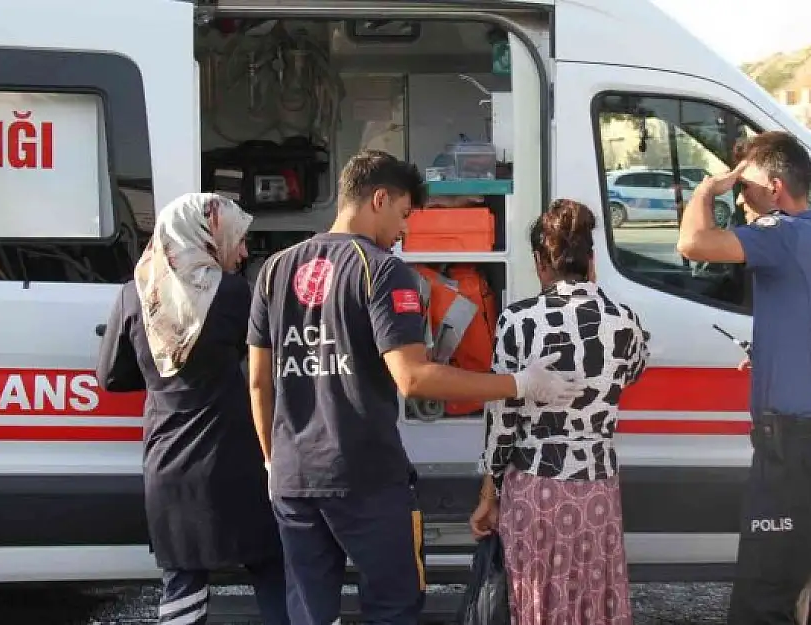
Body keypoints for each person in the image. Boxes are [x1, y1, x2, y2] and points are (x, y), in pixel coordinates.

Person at [246, 149, 584, 625]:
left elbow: (260, 381)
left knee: (309, 612)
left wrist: (270, 460)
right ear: (379, 199)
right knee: (393, 606)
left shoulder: (275, 269)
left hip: (293, 477)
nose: (404, 230)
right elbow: (413, 378)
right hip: (364, 476)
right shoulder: (381, 269)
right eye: (404, 215)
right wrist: (519, 384)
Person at [675, 131, 811, 625]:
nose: (741, 198)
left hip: (791, 450)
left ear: (774, 188)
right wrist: (793, 354)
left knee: (763, 601)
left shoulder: (782, 234)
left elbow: (692, 243)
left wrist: (707, 189)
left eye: (744, 187)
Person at [96, 192, 289, 625]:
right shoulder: (236, 294)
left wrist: (158, 377)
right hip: (235, 457)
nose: (242, 252)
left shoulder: (133, 296)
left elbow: (109, 376)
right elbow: (265, 364)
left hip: (168, 463)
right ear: (206, 235)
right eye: (238, 239)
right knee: (272, 567)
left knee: (183, 580)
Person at [469, 199, 651, 625]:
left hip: (536, 486)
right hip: (598, 488)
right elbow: (632, 372)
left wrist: (489, 492)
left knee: (539, 596)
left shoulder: (519, 320)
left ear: (540, 261)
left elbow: (502, 420)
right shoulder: (625, 322)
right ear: (592, 259)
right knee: (592, 593)